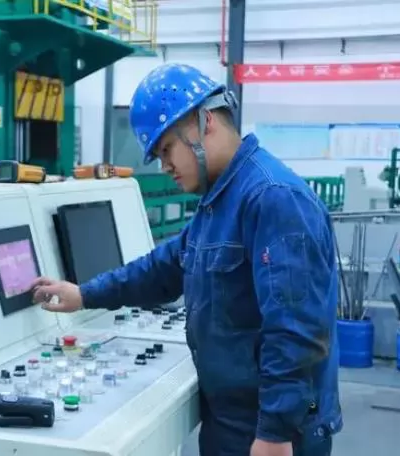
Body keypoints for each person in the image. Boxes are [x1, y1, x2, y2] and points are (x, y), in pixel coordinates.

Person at [31, 63, 342, 456]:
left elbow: (296, 330)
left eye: (166, 149)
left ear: (204, 121)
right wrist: (84, 294)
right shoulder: (220, 199)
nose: (164, 166)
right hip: (232, 421)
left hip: (271, 432)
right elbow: (163, 268)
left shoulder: (273, 197)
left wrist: (275, 434)